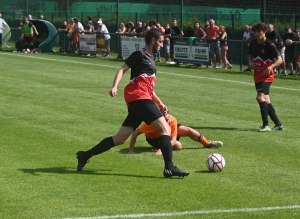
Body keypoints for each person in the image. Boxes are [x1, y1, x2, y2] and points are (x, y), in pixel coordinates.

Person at [76, 28, 189, 178]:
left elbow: (149, 88)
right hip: (139, 99)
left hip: (141, 99)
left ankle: (85, 155)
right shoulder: (139, 55)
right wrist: (115, 86)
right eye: (161, 42)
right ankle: (169, 167)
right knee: (165, 129)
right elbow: (122, 70)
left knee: (120, 138)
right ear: (153, 41)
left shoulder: (151, 60)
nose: (162, 45)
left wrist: (160, 103)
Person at [128, 112, 223, 155]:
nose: (166, 121)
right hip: (154, 138)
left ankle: (207, 144)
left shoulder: (172, 120)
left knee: (189, 130)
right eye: (164, 120)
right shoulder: (152, 123)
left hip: (169, 135)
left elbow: (173, 139)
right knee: (178, 146)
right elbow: (136, 132)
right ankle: (163, 146)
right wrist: (131, 150)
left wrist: (162, 150)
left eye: (167, 120)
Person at [248, 22, 284, 132]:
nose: (257, 34)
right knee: (266, 100)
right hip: (258, 75)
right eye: (255, 32)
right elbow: (249, 55)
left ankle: (266, 125)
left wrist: (270, 67)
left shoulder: (270, 45)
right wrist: (250, 63)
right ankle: (278, 124)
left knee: (259, 97)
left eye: (260, 31)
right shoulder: (253, 43)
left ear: (264, 32)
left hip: (267, 76)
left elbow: (280, 60)